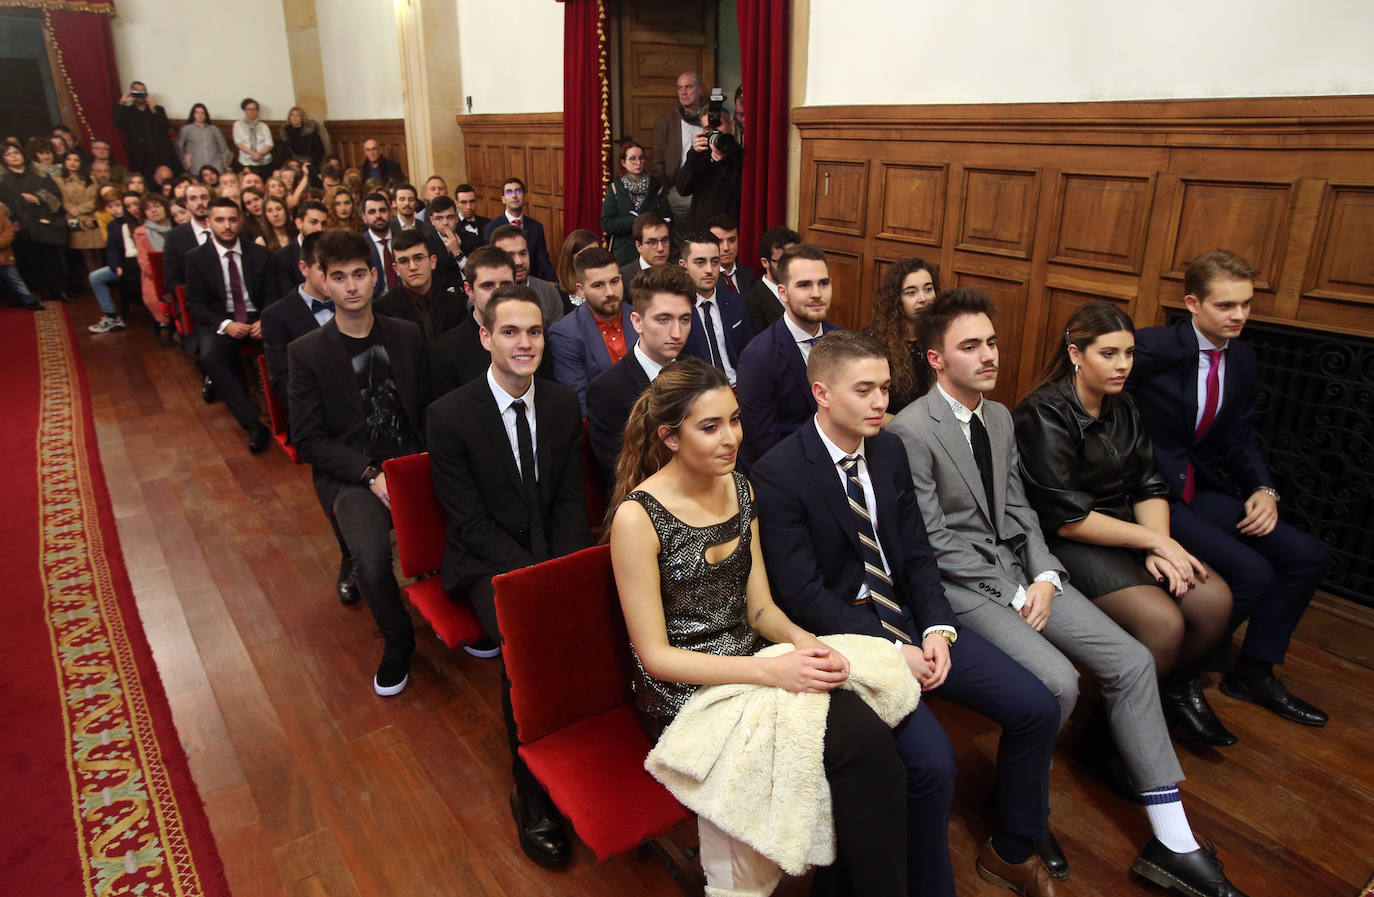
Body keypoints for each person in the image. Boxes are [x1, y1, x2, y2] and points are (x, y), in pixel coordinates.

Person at [891, 288, 1253, 897]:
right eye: (970, 346)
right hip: (965, 588)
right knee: (1058, 682)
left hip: (1021, 573)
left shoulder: (1000, 416)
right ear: (935, 359)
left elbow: (1023, 513)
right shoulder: (910, 430)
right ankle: (1021, 814)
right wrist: (1012, 593)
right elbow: (931, 544)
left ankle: (1173, 840)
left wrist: (1044, 575)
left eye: (992, 343)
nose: (989, 356)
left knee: (1133, 660)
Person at [751, 330, 1065, 897]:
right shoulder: (778, 472)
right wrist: (894, 649)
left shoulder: (890, 449)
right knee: (933, 765)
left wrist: (938, 630)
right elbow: (801, 594)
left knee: (1037, 706)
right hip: (851, 638)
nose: (880, 403)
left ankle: (1012, 848)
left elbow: (917, 553)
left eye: (885, 388)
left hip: (915, 621)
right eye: (864, 390)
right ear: (821, 393)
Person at [608, 356, 910, 896]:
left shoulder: (739, 488)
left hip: (755, 665)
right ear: (669, 437)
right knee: (822, 754)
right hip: (685, 691)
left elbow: (759, 609)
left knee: (869, 746)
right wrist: (773, 674)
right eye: (710, 426)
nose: (731, 439)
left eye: (735, 420)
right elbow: (655, 657)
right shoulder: (638, 516)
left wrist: (804, 644)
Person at [1013, 302, 1237, 749]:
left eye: (1129, 354)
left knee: (1214, 601)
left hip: (1127, 529)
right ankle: (1110, 736)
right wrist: (1154, 540)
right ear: (1077, 354)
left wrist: (1161, 547)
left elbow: (1150, 484)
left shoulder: (1126, 405)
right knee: (1164, 623)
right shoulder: (1044, 412)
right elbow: (1069, 518)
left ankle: (1168, 690)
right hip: (1067, 540)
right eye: (1109, 354)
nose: (1123, 365)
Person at [1129, 249, 1330, 728]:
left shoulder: (1242, 359)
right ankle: (1181, 678)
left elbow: (1240, 437)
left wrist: (1264, 488)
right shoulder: (1153, 348)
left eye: (1246, 304)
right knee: (1252, 573)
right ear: (1193, 303)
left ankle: (1255, 671)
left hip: (1202, 489)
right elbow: (1095, 395)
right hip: (1153, 495)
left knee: (1309, 555)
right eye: (1226, 305)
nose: (1239, 315)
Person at [428, 283, 591, 867]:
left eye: (535, 331)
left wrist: (565, 572)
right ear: (485, 338)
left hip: (553, 553)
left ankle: (587, 759)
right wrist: (534, 585)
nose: (525, 343)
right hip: (487, 563)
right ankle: (530, 793)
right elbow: (468, 524)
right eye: (510, 332)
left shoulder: (561, 402)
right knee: (527, 651)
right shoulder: (448, 416)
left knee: (607, 628)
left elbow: (572, 501)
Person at [289, 229, 429, 696]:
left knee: (467, 522)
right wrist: (370, 476)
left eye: (358, 275)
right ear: (325, 283)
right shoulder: (306, 352)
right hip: (353, 472)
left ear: (375, 277)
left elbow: (428, 409)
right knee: (369, 560)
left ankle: (461, 611)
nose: (350, 286)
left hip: (413, 461)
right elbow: (307, 439)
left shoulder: (406, 335)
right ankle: (398, 638)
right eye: (338, 277)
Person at [260, 230, 359, 607]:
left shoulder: (359, 304)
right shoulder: (279, 315)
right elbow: (282, 379)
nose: (345, 282)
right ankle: (350, 556)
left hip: (369, 411)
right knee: (329, 463)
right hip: (321, 419)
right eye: (331, 273)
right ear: (307, 270)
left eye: (352, 273)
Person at [184, 196, 283, 451]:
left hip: (257, 318)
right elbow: (195, 304)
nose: (226, 226)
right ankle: (252, 423)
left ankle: (288, 415)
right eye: (219, 220)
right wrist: (226, 324)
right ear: (209, 222)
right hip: (222, 321)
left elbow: (273, 294)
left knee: (289, 346)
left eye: (231, 219)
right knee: (211, 357)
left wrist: (266, 318)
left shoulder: (259, 254)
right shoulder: (197, 258)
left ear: (240, 221)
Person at [586, 265, 695, 490]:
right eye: (664, 319)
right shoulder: (607, 391)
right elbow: (622, 476)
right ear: (637, 322)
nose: (677, 332)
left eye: (684, 319)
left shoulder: (698, 375)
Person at [737, 243, 842, 467]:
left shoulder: (843, 342)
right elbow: (765, 445)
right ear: (783, 292)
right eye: (804, 285)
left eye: (823, 283)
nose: (817, 294)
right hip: (788, 471)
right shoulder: (758, 357)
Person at [548, 246, 636, 412]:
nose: (610, 292)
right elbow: (579, 401)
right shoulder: (565, 333)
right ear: (581, 290)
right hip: (603, 428)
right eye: (598, 285)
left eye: (614, 281)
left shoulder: (639, 317)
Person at [428, 246, 517, 398]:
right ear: (469, 290)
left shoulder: (534, 338)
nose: (497, 294)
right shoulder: (444, 351)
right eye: (488, 285)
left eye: (505, 285)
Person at [0, 141, 71, 304]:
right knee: (32, 260)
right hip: (21, 226)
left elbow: (55, 195)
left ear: (22, 154)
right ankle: (43, 291)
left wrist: (38, 199)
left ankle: (61, 291)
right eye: (8, 154)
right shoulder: (3, 180)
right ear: (4, 159)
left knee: (54, 259)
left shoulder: (40, 173)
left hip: (45, 222)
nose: (14, 156)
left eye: (16, 152)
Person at [678, 230, 750, 385]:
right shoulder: (676, 311)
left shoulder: (735, 302)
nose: (709, 269)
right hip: (699, 394)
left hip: (739, 388)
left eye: (715, 261)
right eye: (700, 262)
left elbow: (749, 354)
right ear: (684, 267)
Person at [871, 257, 939, 420]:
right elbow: (864, 407)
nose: (923, 298)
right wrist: (910, 428)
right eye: (911, 292)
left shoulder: (941, 336)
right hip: (889, 432)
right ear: (896, 300)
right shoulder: (875, 343)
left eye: (928, 289)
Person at [373, 228, 465, 342]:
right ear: (396, 269)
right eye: (404, 261)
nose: (413, 267)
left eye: (419, 258)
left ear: (433, 262)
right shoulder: (382, 311)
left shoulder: (455, 304)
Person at [651, 71, 705, 250]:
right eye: (680, 88)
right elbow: (657, 163)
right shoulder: (665, 122)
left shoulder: (711, 119)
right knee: (680, 242)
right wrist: (668, 189)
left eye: (688, 87)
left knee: (704, 238)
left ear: (699, 89)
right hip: (677, 192)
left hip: (706, 190)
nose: (683, 92)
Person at [601, 138, 672, 266]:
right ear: (623, 162)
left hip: (653, 252)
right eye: (633, 159)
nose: (638, 162)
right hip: (624, 253)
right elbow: (607, 223)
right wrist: (636, 221)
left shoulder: (655, 186)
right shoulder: (615, 189)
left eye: (641, 158)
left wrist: (652, 224)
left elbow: (668, 217)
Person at [675, 112, 742, 232]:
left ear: (731, 126)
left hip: (729, 231)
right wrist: (694, 155)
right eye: (708, 128)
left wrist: (724, 163)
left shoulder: (739, 155)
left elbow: (743, 190)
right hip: (701, 229)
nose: (714, 131)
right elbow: (683, 189)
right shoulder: (700, 154)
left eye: (718, 125)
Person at [489, 223, 564, 326]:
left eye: (523, 253)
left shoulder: (550, 292)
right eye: (510, 256)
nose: (519, 262)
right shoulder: (486, 295)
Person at [482, 178, 555, 281]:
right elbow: (489, 264)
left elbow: (543, 261)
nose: (514, 196)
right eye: (509, 192)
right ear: (503, 199)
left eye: (518, 191)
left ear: (525, 197)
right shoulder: (491, 228)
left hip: (531, 283)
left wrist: (553, 283)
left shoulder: (536, 227)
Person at [87, 191, 137, 333]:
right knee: (95, 277)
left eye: (118, 205)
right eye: (110, 206)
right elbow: (111, 249)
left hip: (135, 264)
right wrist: (116, 266)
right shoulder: (113, 225)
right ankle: (111, 315)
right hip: (121, 264)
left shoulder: (135, 221)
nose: (115, 209)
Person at [113, 81, 181, 179]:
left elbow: (165, 127)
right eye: (137, 91)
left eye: (143, 91)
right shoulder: (127, 112)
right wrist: (122, 102)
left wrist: (154, 110)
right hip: (140, 156)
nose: (140, 94)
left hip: (161, 154)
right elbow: (118, 123)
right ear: (131, 93)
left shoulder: (158, 109)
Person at [742, 225, 799, 335]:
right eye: (782, 262)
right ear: (765, 262)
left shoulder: (800, 290)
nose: (789, 267)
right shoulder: (751, 301)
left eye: (793, 260)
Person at [132, 192, 174, 334]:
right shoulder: (141, 232)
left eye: (157, 206)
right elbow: (145, 263)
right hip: (156, 278)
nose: (154, 210)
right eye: (149, 208)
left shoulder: (177, 225)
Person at [58, 151, 103, 260]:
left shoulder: (91, 179)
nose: (72, 163)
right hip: (76, 220)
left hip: (93, 218)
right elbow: (65, 203)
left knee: (99, 254)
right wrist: (82, 218)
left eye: (76, 160)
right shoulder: (59, 181)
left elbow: (96, 199)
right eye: (69, 159)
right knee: (85, 255)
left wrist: (80, 210)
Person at [274, 199, 328, 286]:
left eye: (324, 224)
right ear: (299, 223)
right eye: (313, 222)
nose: (320, 229)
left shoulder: (333, 252)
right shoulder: (282, 258)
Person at [0, 202, 42, 310]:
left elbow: (9, 231)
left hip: (3, 254)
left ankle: (30, 301)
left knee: (14, 278)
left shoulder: (1, 211)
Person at [707, 213, 755, 295]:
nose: (726, 248)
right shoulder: (706, 279)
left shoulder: (748, 275)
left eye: (732, 240)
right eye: (719, 242)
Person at [618, 212, 670, 285]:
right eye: (652, 242)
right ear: (639, 246)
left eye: (664, 240)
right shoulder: (623, 278)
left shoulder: (679, 276)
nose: (660, 248)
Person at [178, 104, 229, 177]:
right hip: (197, 168)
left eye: (202, 113)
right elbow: (178, 147)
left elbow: (224, 149)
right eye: (197, 113)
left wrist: (227, 165)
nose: (200, 115)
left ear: (206, 114)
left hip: (217, 167)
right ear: (193, 114)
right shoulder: (186, 129)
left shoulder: (214, 129)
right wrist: (184, 163)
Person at [232, 98, 274, 177]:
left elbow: (269, 144)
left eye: (254, 109)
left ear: (257, 111)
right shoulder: (238, 125)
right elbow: (239, 143)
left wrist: (259, 154)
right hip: (247, 161)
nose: (251, 111)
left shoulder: (263, 126)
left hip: (263, 160)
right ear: (244, 110)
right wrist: (253, 154)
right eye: (248, 109)